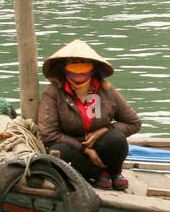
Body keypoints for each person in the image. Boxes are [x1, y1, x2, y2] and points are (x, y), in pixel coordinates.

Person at [37, 39, 142, 190]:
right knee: (60, 150)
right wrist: (84, 149)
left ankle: (114, 173)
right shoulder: (53, 92)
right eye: (73, 62)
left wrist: (105, 129)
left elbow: (134, 123)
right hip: (72, 149)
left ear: (94, 68)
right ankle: (98, 174)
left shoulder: (106, 91)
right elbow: (48, 134)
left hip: (101, 146)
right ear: (63, 68)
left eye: (83, 63)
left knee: (116, 139)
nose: (79, 69)